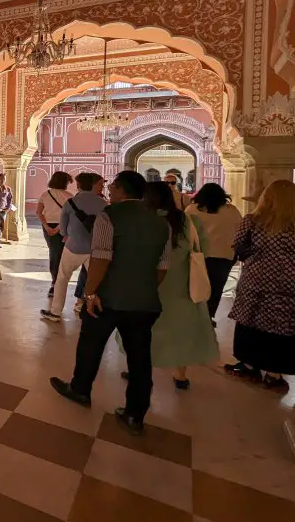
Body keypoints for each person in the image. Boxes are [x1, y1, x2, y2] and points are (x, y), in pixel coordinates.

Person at [50, 170, 171, 436]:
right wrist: (143, 289)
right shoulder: (161, 223)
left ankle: (80, 389)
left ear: (123, 191)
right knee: (140, 358)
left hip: (107, 299)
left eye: (113, 186)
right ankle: (134, 414)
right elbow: (162, 267)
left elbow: (101, 259)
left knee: (90, 346)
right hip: (144, 302)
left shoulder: (110, 216)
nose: (110, 190)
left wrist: (90, 294)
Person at [139, 180, 219, 389]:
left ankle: (138, 370)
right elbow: (203, 250)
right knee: (179, 330)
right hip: (182, 286)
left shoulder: (144, 220)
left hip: (150, 283)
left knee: (145, 329)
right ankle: (180, 375)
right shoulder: (188, 220)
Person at [224, 179, 295, 394]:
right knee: (282, 325)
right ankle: (274, 374)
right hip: (289, 283)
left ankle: (248, 366)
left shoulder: (253, 220)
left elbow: (241, 249)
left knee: (250, 320)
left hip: (256, 279)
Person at [41, 172, 107, 323]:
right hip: (95, 249)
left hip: (73, 247)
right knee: (95, 279)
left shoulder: (71, 203)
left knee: (62, 278)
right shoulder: (103, 204)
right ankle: (93, 308)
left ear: (78, 186)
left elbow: (63, 230)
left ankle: (56, 312)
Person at [185, 182, 243, 323]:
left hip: (199, 256)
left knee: (197, 286)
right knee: (216, 288)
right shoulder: (232, 211)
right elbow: (240, 232)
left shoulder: (192, 210)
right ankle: (209, 316)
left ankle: (197, 316)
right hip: (224, 255)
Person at [36, 171, 74, 299]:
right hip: (63, 227)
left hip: (48, 227)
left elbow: (39, 212)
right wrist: (59, 228)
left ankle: (55, 281)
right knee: (61, 253)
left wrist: (47, 227)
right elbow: (71, 215)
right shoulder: (69, 196)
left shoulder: (45, 195)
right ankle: (58, 281)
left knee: (54, 252)